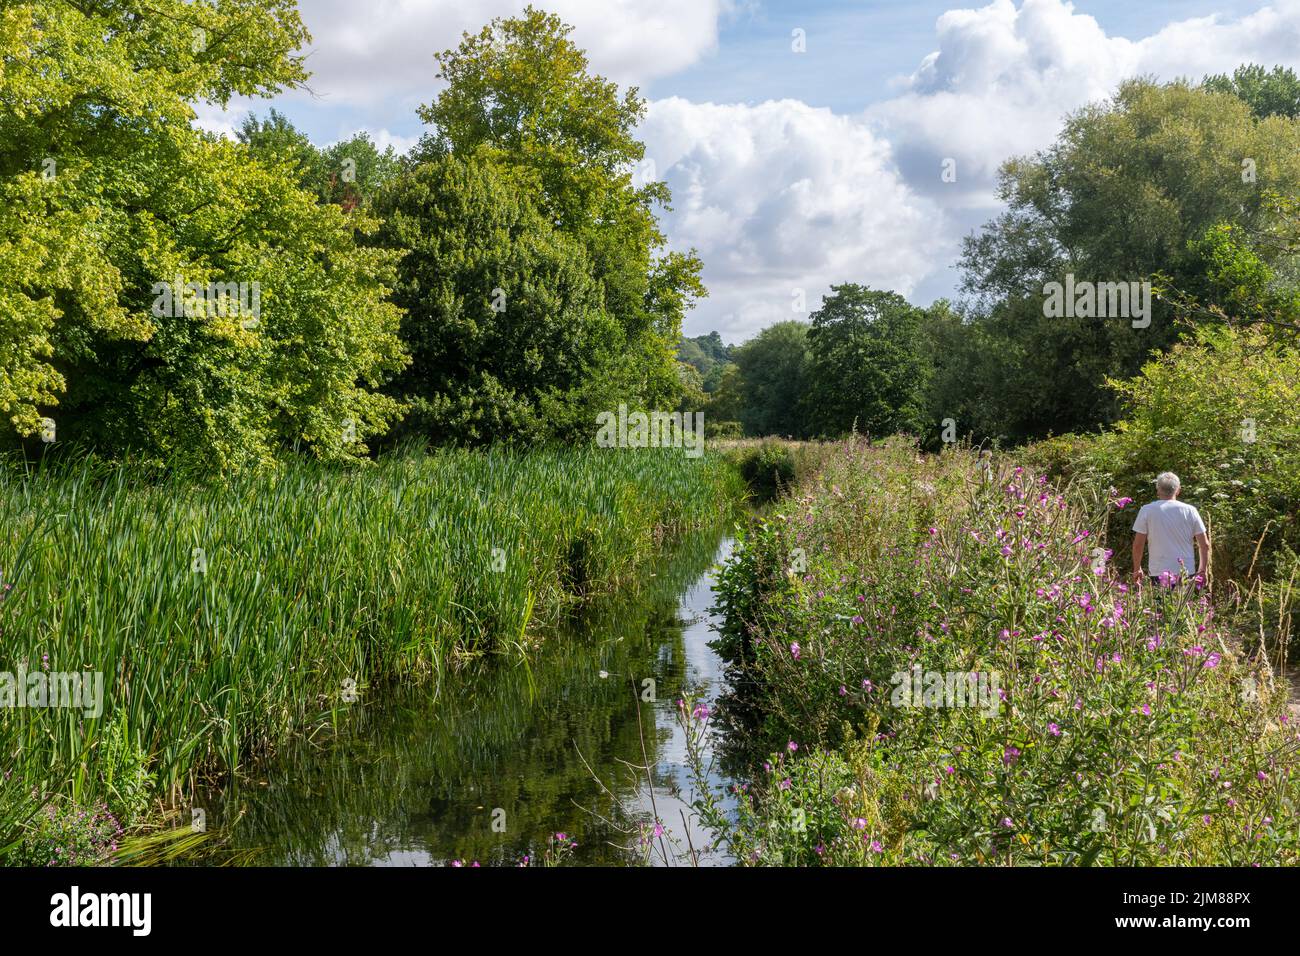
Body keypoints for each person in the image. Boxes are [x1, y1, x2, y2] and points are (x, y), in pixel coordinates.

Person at [1131, 472, 1209, 586]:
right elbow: (1205, 545)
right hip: (1186, 570)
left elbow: (1138, 544)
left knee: (1161, 603)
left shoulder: (1147, 510)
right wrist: (1202, 570)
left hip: (1158, 570)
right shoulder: (1190, 510)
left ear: (1158, 490)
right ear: (1178, 490)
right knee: (1185, 603)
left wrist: (1137, 568)